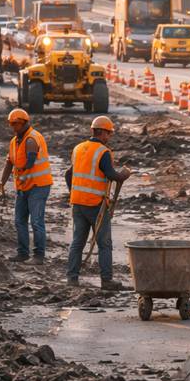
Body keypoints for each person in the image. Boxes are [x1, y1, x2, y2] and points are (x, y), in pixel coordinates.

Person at [65, 115, 132, 289]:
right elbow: (111, 175)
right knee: (104, 243)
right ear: (101, 132)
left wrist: (74, 193)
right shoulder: (103, 152)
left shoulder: (78, 148)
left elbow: (68, 174)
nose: (109, 137)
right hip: (95, 205)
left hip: (78, 203)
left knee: (77, 242)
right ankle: (107, 280)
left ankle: (72, 278)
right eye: (108, 134)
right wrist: (123, 175)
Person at [0, 108, 52, 264]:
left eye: (17, 124)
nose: (14, 127)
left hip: (38, 186)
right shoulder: (14, 141)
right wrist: (2, 181)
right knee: (19, 221)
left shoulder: (31, 139)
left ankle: (39, 256)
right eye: (12, 124)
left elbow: (29, 161)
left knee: (36, 221)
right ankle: (23, 253)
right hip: (23, 186)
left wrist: (20, 169)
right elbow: (9, 162)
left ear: (25, 123)